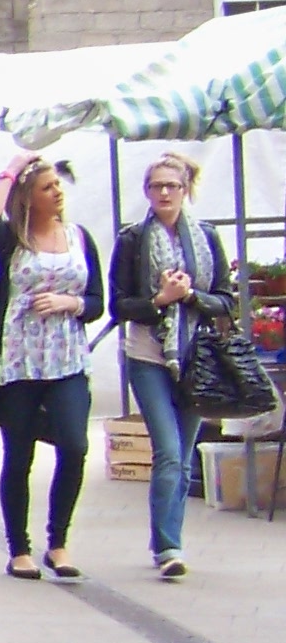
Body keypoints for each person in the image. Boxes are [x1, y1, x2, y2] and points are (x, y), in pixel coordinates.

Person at [0, 154, 103, 582]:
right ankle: (18, 549)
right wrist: (12, 167)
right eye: (47, 187)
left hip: (67, 361)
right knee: (18, 454)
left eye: (58, 185)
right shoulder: (12, 240)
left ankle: (57, 542)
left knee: (75, 446)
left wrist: (70, 303)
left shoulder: (79, 236)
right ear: (28, 197)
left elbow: (97, 301)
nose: (57, 192)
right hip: (21, 364)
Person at [111, 153, 238, 582]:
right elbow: (119, 304)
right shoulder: (132, 239)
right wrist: (160, 301)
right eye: (156, 186)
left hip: (197, 357)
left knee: (183, 458)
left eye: (172, 186)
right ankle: (168, 546)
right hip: (149, 355)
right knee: (168, 452)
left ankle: (168, 539)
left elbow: (226, 298)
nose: (164, 193)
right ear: (146, 192)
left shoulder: (205, 236)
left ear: (186, 190)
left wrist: (190, 298)